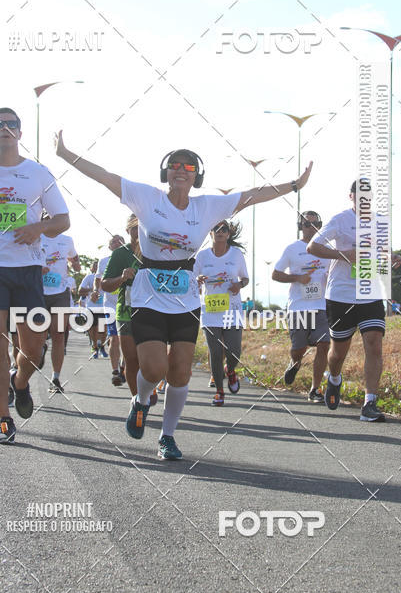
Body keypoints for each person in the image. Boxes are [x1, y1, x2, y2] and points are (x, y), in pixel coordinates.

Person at [56, 133, 311, 459]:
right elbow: (104, 176)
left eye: (188, 166)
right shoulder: (147, 198)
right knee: (154, 369)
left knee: (180, 372)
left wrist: (293, 185)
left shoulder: (207, 206)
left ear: (196, 175)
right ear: (166, 172)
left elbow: (251, 195)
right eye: (174, 165)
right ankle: (141, 399)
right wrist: (66, 153)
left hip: (186, 300)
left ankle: (167, 437)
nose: (181, 170)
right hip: (148, 296)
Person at [0, 108, 70, 443]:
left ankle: (21, 381)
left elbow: (62, 220)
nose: (5, 128)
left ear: (20, 134)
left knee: (34, 349)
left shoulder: (38, 173)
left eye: (12, 124)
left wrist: (37, 228)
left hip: (27, 269)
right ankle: (3, 419)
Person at [307, 179, 401, 422]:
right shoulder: (340, 220)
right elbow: (312, 247)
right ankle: (334, 379)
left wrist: (390, 257)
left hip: (369, 293)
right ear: (351, 197)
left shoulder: (381, 221)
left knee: (374, 342)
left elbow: (379, 254)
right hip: (340, 295)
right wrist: (344, 254)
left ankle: (370, 403)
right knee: (338, 353)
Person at [272, 210, 330, 403]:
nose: (311, 227)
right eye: (306, 223)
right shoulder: (292, 249)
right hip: (298, 306)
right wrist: (297, 278)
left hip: (321, 306)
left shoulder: (328, 249)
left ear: (320, 226)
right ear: (300, 227)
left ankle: (315, 389)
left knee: (324, 344)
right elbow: (276, 274)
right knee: (299, 348)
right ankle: (295, 363)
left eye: (315, 224)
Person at [195, 220, 249, 406]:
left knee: (234, 352)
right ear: (210, 233)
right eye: (216, 228)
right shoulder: (202, 256)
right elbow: (191, 277)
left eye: (224, 229)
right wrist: (197, 279)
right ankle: (219, 391)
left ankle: (231, 371)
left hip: (232, 310)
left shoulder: (236, 254)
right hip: (210, 310)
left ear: (229, 233)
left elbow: (245, 279)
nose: (219, 231)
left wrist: (239, 285)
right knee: (216, 352)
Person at [101, 215, 143, 391]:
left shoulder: (155, 252)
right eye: (134, 227)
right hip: (126, 310)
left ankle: (147, 389)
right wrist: (122, 277)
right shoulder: (120, 254)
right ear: (128, 230)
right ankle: (137, 400)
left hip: (152, 311)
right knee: (131, 358)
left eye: (142, 226)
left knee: (148, 357)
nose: (139, 230)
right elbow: (105, 285)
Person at [40, 223, 81, 393]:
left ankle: (55, 378)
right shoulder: (36, 237)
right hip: (38, 291)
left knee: (58, 335)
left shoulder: (67, 240)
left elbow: (74, 258)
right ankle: (41, 347)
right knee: (38, 333)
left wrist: (76, 265)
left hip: (60, 291)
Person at [97, 235, 125, 381]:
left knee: (126, 339)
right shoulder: (103, 262)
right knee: (114, 338)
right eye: (113, 241)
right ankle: (115, 371)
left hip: (128, 304)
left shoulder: (131, 258)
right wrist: (96, 292)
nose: (117, 243)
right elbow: (99, 280)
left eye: (120, 240)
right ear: (109, 247)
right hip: (110, 305)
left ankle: (124, 366)